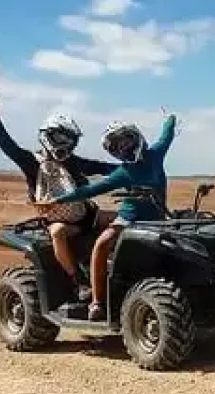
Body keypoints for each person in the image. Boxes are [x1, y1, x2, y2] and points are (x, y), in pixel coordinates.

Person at [0, 84, 117, 301]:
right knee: (57, 233)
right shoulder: (32, 162)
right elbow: (7, 145)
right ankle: (77, 280)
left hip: (87, 216)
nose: (67, 145)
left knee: (126, 220)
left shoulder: (72, 161)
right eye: (62, 138)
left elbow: (101, 167)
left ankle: (118, 270)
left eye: (70, 140)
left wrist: (130, 170)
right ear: (49, 136)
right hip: (58, 222)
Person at [35, 111, 178, 321]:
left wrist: (170, 118)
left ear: (134, 136)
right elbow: (90, 191)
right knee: (102, 244)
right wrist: (57, 201)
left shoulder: (156, 154)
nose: (123, 148)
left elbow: (167, 134)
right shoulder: (123, 172)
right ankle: (96, 302)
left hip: (157, 219)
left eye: (124, 141)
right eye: (116, 146)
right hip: (128, 219)